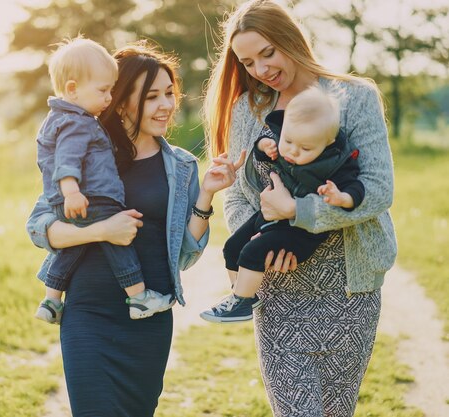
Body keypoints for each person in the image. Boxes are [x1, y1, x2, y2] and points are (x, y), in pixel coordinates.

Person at [26, 41, 242, 416]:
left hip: (150, 315)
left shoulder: (182, 166)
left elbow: (186, 255)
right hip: (89, 313)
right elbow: (40, 229)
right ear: (122, 100)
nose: (166, 106)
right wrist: (102, 231)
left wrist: (206, 194)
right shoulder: (83, 150)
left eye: (169, 94)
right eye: (152, 96)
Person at [203, 1, 397, 415]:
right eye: (248, 61)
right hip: (278, 291)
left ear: (291, 39)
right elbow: (239, 196)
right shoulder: (248, 109)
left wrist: (297, 211)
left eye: (268, 52)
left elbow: (377, 191)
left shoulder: (355, 97)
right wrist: (264, 240)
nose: (261, 69)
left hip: (349, 290)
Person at [34, 37, 174, 325]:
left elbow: (184, 248)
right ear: (72, 89)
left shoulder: (58, 118)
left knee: (72, 249)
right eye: (103, 90)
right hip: (93, 199)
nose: (108, 99)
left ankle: (50, 300)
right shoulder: (77, 122)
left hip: (76, 199)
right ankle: (138, 297)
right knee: (118, 243)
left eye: (111, 90)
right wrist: (76, 196)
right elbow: (66, 161)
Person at [201, 85, 365, 323]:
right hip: (270, 215)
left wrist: (341, 198)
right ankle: (241, 295)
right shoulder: (283, 138)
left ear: (327, 143)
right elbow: (261, 156)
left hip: (301, 232)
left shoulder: (336, 162)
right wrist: (262, 148)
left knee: (252, 252)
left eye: (305, 148)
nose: (293, 152)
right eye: (288, 141)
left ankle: (241, 303)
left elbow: (356, 189)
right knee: (232, 247)